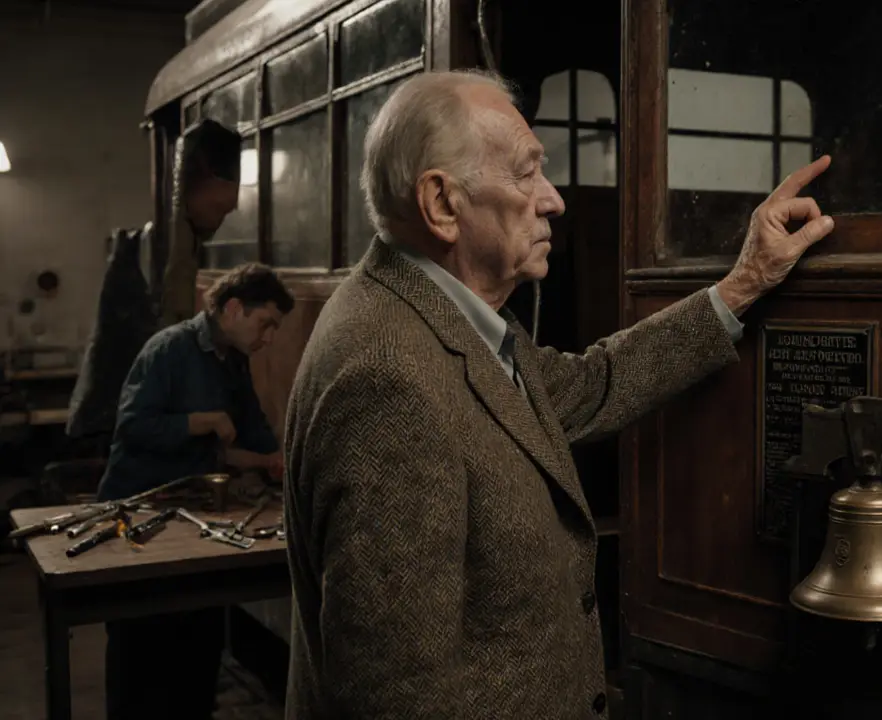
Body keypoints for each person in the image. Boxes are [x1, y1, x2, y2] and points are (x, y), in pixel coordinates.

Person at [282, 69, 834, 719]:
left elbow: (590, 383)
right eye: (526, 173)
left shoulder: (443, 317)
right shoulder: (389, 382)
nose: (554, 200)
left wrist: (743, 284)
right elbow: (398, 698)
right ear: (440, 204)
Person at [98, 262, 294, 720]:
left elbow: (253, 431)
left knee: (197, 639)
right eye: (265, 324)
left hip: (194, 516)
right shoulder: (169, 349)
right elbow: (132, 427)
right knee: (139, 648)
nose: (268, 338)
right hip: (140, 509)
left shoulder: (234, 362)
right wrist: (199, 421)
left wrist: (278, 461)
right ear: (232, 307)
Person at [66, 119, 242, 444]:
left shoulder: (185, 245)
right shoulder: (152, 251)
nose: (219, 220)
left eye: (227, 212)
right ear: (191, 185)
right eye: (217, 207)